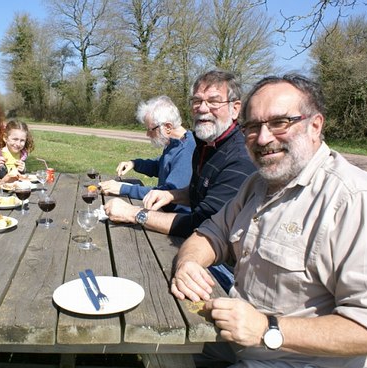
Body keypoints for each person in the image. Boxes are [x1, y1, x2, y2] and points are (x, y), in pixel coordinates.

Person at [172, 74, 367, 368]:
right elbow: (209, 233)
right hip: (238, 342)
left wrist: (267, 328)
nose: (263, 138)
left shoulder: (355, 199)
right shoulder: (256, 185)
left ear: (315, 125)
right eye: (253, 126)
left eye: (280, 122)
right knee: (138, 348)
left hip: (307, 365)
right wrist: (189, 264)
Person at [104, 70, 256, 291]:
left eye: (213, 101)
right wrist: (173, 194)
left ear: (235, 108)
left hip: (227, 267)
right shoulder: (207, 144)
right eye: (197, 101)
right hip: (196, 244)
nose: (203, 108)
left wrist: (133, 213)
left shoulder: (239, 158)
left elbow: (202, 224)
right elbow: (201, 190)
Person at [99, 95, 196, 213]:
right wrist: (134, 163)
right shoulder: (176, 142)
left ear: (168, 127)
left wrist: (122, 188)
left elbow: (166, 193)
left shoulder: (187, 150)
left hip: (175, 219)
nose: (147, 134)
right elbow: (161, 165)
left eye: (150, 129)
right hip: (163, 211)